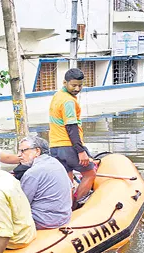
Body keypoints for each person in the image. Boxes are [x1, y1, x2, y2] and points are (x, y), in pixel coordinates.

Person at [49, 68, 97, 206]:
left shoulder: (57, 96)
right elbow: (72, 127)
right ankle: (77, 204)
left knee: (68, 179)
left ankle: (67, 208)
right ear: (65, 82)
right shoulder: (68, 101)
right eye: (73, 85)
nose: (77, 88)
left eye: (80, 85)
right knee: (90, 173)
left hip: (55, 146)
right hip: (68, 146)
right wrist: (81, 151)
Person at [18, 136, 73, 229]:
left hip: (44, 221)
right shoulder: (56, 163)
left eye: (23, 151)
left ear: (37, 151)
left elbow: (22, 203)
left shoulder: (32, 173)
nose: (19, 155)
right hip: (64, 216)